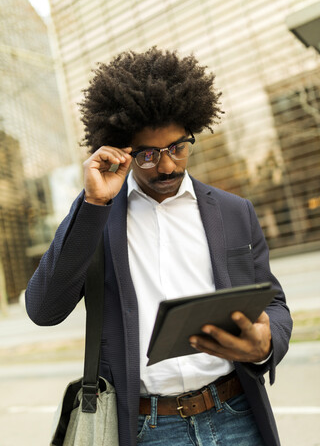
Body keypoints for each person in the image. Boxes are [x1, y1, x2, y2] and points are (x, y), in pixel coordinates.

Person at [26, 47, 292, 446]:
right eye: (148, 155)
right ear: (123, 151)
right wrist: (95, 203)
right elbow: (44, 310)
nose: (167, 166)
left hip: (236, 413)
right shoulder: (98, 217)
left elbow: (274, 305)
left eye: (178, 147)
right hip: (149, 428)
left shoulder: (235, 212)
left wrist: (267, 343)